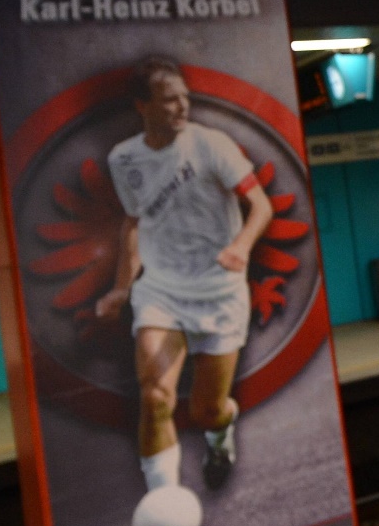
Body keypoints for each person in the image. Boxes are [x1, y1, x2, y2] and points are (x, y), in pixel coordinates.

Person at [97, 56, 272, 500]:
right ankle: (164, 501)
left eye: (185, 97)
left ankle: (220, 436)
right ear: (142, 106)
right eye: (169, 99)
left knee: (206, 410)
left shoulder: (212, 145)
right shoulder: (124, 159)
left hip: (219, 293)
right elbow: (133, 223)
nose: (181, 106)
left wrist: (241, 247)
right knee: (155, 397)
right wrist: (121, 287)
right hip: (162, 292)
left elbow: (262, 207)